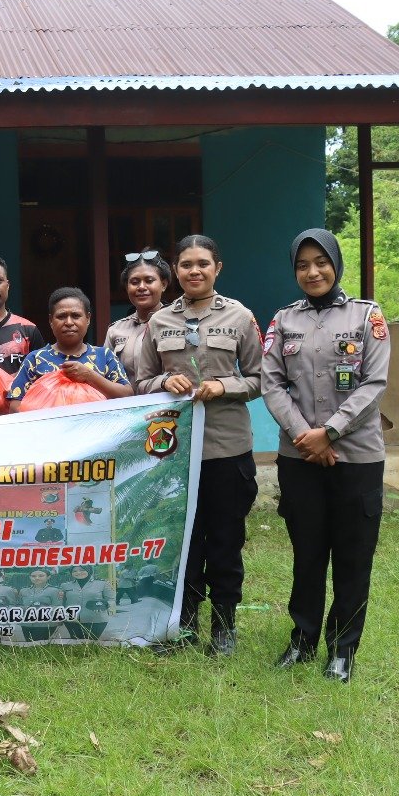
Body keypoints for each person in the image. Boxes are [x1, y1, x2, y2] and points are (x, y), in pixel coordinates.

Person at [263, 228, 391, 683]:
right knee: (308, 553)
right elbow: (272, 383)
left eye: (321, 262)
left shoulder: (367, 315)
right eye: (302, 265)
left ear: (336, 264)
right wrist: (305, 436)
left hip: (356, 457)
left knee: (353, 556)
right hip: (300, 457)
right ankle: (302, 641)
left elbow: (374, 383)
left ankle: (342, 650)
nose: (312, 272)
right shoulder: (283, 321)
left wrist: (330, 432)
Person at [133, 234, 263, 657]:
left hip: (227, 448)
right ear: (176, 271)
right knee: (182, 541)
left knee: (225, 538)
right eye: (186, 264)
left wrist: (224, 386)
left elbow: (260, 378)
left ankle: (224, 626)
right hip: (174, 451)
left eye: (203, 263)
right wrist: (163, 381)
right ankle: (184, 624)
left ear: (217, 268)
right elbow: (141, 381)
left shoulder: (240, 316)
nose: (194, 271)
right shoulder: (159, 321)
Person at [6, 288, 132, 412]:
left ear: (88, 319)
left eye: (76, 316)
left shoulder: (104, 356)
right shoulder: (35, 359)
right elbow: (15, 405)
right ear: (51, 321)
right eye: (61, 316)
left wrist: (90, 376)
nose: (69, 322)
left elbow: (127, 395)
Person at [105, 249, 172, 379]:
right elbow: (106, 375)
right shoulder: (115, 330)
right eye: (134, 282)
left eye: (149, 280)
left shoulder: (177, 323)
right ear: (127, 287)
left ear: (163, 285)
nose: (141, 287)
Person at [59, 564, 115, 640]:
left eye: (82, 570)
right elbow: (61, 601)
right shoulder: (65, 585)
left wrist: (104, 607)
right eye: (74, 571)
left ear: (89, 570)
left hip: (96, 619)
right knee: (76, 641)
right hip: (72, 619)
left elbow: (111, 599)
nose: (78, 573)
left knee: (92, 641)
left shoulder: (102, 584)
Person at [19, 569, 62, 642]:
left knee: (40, 644)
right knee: (29, 643)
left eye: (41, 576)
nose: (37, 578)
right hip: (26, 623)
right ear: (30, 577)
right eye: (33, 576)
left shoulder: (55, 590)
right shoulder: (23, 590)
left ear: (48, 577)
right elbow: (18, 605)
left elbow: (58, 607)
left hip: (45, 623)